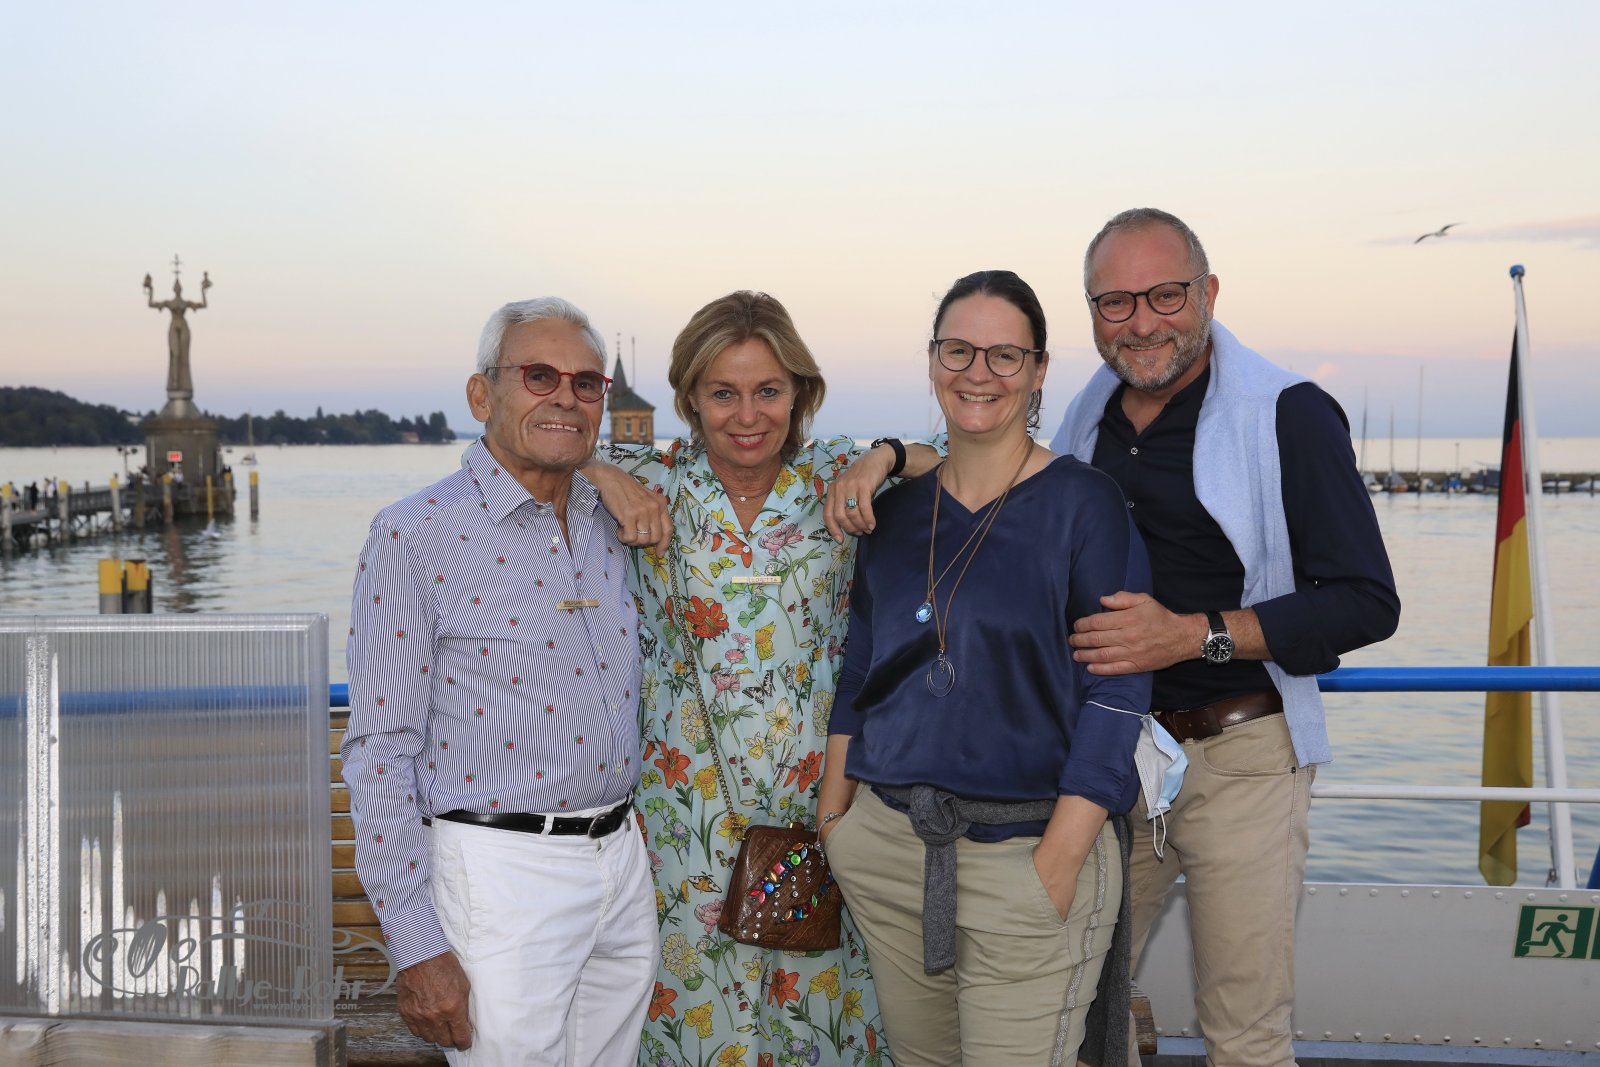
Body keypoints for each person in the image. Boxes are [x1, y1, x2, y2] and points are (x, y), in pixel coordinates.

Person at [1053, 208, 1401, 1067]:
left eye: (1165, 295)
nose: (1141, 322)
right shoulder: (1086, 420)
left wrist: (1190, 637)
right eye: (1115, 302)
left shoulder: (1288, 412)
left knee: (1244, 1035)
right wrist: (887, 457)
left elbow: (1365, 601)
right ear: (1092, 311)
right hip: (1112, 761)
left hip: (1242, 756)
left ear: (1208, 292)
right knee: (1066, 1007)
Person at [582, 290, 938, 1067]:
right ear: (691, 398)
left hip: (823, 805)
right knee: (694, 1018)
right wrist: (598, 470)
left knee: (820, 1016)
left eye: (768, 390)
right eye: (724, 393)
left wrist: (886, 455)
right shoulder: (653, 480)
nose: (748, 415)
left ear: (800, 393)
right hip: (684, 818)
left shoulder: (836, 475)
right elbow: (508, 458)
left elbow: (970, 456)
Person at [818, 270, 1151, 1066]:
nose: (979, 372)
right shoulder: (895, 513)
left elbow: (1119, 689)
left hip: (1026, 856)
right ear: (933, 359)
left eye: (1006, 355)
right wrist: (836, 822)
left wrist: (1058, 859)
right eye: (959, 350)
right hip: (890, 850)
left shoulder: (1084, 504)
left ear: (1039, 371)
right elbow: (862, 668)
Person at [343, 297, 657, 1066]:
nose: (566, 397)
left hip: (621, 863)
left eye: (587, 382)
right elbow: (380, 749)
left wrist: (603, 473)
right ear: (483, 394)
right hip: (500, 879)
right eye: (539, 375)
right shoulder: (414, 535)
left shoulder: (610, 520)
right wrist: (417, 943)